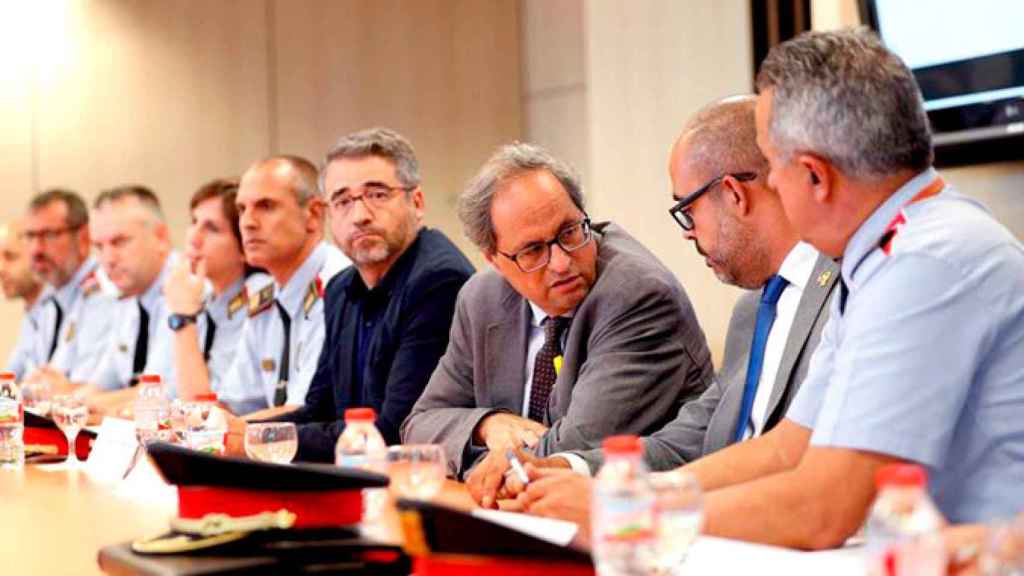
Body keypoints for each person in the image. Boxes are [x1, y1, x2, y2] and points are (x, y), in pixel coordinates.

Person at [526, 28, 1024, 550]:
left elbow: (821, 509)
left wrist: (624, 513)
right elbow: (786, 449)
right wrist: (636, 490)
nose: (772, 191)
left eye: (772, 167)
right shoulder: (887, 252)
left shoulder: (923, 262)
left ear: (814, 175)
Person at [513, 96, 838, 489]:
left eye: (688, 209)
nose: (687, 231)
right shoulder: (753, 311)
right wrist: (572, 468)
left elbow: (805, 458)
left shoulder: (847, 291)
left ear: (734, 194)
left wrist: (645, 504)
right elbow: (693, 440)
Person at [401, 142, 713, 508]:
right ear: (495, 260)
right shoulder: (481, 298)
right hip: (528, 517)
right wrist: (489, 425)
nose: (562, 262)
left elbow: (572, 449)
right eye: (533, 250)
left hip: (639, 519)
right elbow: (420, 426)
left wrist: (487, 463)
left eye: (570, 232)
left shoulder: (638, 295)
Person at [258, 128, 474, 463]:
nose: (359, 215)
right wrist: (253, 434)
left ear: (416, 203)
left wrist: (259, 440)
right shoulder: (341, 289)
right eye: (343, 201)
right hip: (357, 475)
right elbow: (320, 408)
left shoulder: (438, 282)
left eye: (377, 195)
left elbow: (393, 431)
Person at [217, 156, 350, 416]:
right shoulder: (265, 298)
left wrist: (215, 433)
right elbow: (235, 403)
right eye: (242, 209)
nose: (247, 222)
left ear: (313, 214)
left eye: (265, 206)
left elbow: (301, 413)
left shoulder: (339, 285)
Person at [163, 178, 266, 400]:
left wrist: (183, 319)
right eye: (194, 221)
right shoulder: (204, 296)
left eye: (212, 228)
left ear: (244, 245)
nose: (194, 238)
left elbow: (205, 407)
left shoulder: (259, 298)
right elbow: (169, 392)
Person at [84, 186, 178, 404]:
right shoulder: (129, 294)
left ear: (160, 237)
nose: (108, 259)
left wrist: (84, 406)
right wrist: (66, 404)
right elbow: (103, 381)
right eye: (99, 246)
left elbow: (157, 395)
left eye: (119, 242)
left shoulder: (186, 291)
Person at [16, 189, 117, 388]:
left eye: (49, 235)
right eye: (30, 236)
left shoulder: (104, 293)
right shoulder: (50, 301)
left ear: (83, 238)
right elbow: (28, 378)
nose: (36, 249)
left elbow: (83, 388)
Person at [1, 221, 45, 380]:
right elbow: (8, 380)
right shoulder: (31, 316)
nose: (1, 269)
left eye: (10, 257)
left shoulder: (63, 311)